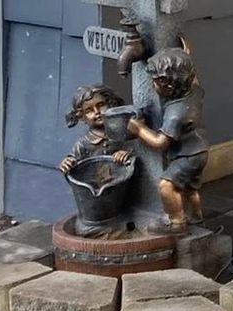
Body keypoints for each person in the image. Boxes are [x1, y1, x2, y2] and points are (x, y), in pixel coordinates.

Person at [127, 48, 207, 233]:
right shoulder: (194, 92)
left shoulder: (175, 115)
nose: (152, 85)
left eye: (154, 82)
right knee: (190, 189)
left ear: (168, 85)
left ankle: (176, 222)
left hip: (188, 155)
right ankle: (196, 218)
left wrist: (139, 129)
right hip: (199, 150)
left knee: (166, 185)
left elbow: (160, 142)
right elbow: (195, 79)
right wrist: (186, 55)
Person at [59, 84, 132, 174]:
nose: (97, 112)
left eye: (101, 105)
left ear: (110, 105)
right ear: (82, 117)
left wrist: (126, 154)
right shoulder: (83, 144)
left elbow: (137, 151)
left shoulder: (124, 133)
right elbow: (73, 161)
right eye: (89, 110)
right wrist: (68, 162)